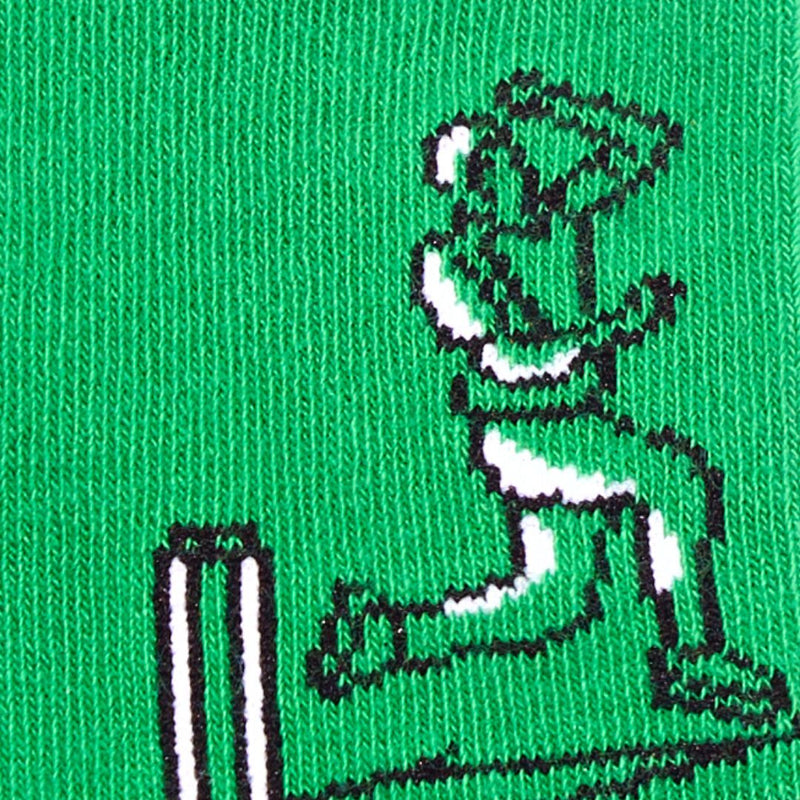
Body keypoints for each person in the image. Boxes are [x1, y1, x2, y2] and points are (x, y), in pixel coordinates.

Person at [306, 70, 791, 729]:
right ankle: (693, 658)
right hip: (526, 430)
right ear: (467, 193)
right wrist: (614, 328)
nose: (506, 175)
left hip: (577, 421)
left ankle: (392, 635)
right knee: (673, 481)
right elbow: (517, 361)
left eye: (508, 157)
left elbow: (641, 146)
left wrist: (556, 107)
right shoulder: (451, 263)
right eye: (487, 171)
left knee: (551, 598)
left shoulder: (562, 216)